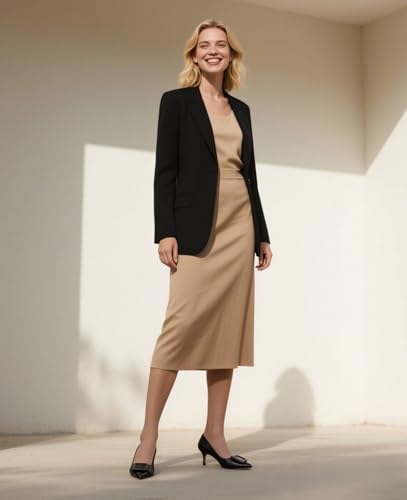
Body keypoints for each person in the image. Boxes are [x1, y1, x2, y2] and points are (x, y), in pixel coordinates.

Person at [129, 18, 273, 480]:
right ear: (194, 54)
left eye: (221, 45)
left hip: (238, 224)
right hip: (194, 227)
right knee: (178, 328)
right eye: (205, 44)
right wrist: (165, 231)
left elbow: (250, 174)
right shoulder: (175, 103)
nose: (213, 50)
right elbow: (165, 171)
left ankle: (215, 434)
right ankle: (148, 437)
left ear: (231, 55)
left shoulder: (241, 110)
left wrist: (262, 232)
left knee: (228, 332)